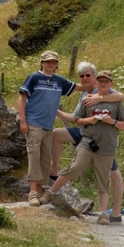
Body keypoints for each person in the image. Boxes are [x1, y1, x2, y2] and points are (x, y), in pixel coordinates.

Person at [39, 70, 124, 224]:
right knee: (70, 161)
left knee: (108, 177)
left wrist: (109, 120)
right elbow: (76, 119)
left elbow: (122, 106)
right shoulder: (85, 97)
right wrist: (85, 119)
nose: (85, 78)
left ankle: (110, 213)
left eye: (88, 75)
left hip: (106, 144)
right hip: (87, 138)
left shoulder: (114, 98)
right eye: (82, 76)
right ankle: (51, 185)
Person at [17, 50, 83, 207]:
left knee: (46, 158)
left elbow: (78, 87)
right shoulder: (34, 77)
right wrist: (23, 121)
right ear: (42, 63)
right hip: (33, 123)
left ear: (57, 65)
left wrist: (96, 85)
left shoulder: (59, 81)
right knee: (34, 155)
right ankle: (32, 192)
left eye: (53, 62)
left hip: (48, 126)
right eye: (48, 62)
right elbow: (22, 99)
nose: (50, 64)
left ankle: (39, 193)